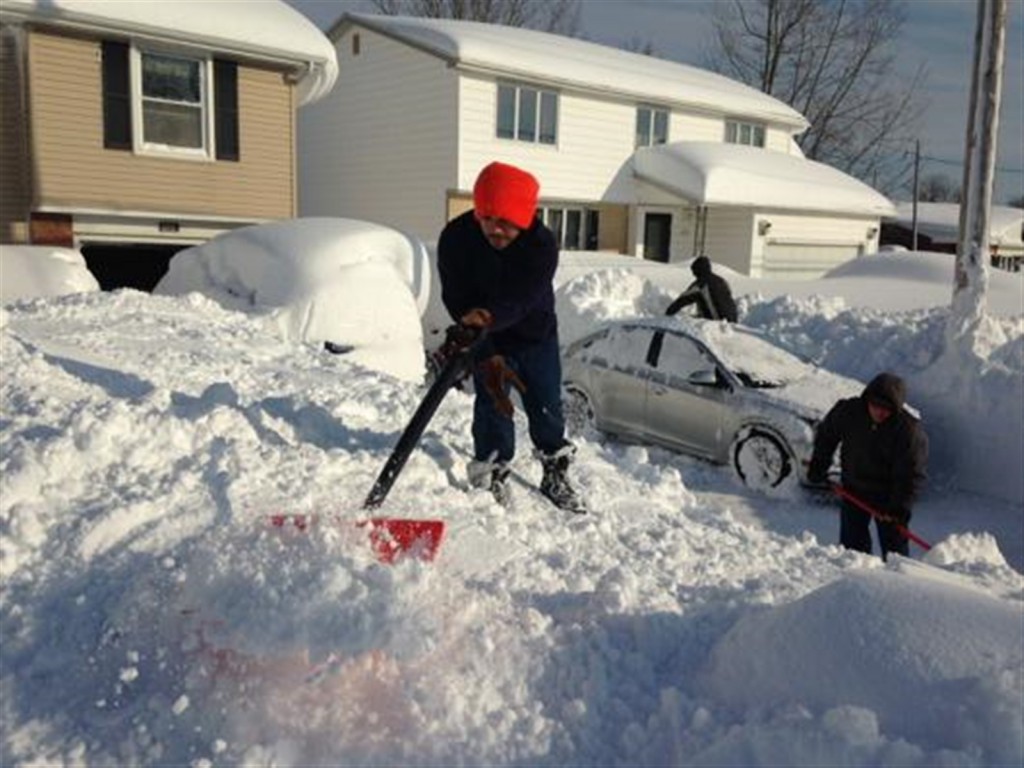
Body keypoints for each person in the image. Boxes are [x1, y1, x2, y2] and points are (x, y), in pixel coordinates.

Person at [436, 161, 585, 513]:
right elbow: (454, 291)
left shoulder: (541, 245)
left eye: (506, 222)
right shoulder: (456, 238)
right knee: (492, 408)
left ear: (524, 219)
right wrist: (465, 323)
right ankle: (492, 471)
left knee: (546, 407)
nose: (495, 229)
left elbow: (521, 298)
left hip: (535, 337)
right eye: (487, 218)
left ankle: (554, 470)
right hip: (487, 339)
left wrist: (485, 316)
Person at [807, 372, 928, 560]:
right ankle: (858, 582)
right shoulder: (849, 412)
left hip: (889, 498)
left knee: (895, 556)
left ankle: (898, 584)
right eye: (876, 406)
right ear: (867, 400)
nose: (880, 412)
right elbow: (827, 435)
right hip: (854, 489)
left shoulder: (908, 431)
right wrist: (818, 465)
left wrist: (898, 509)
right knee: (853, 550)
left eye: (887, 409)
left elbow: (911, 475)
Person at [665, 255, 738, 322]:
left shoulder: (700, 285)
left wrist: (667, 313)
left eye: (694, 271)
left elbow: (682, 300)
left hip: (716, 323)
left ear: (697, 271)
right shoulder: (722, 281)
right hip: (732, 323)